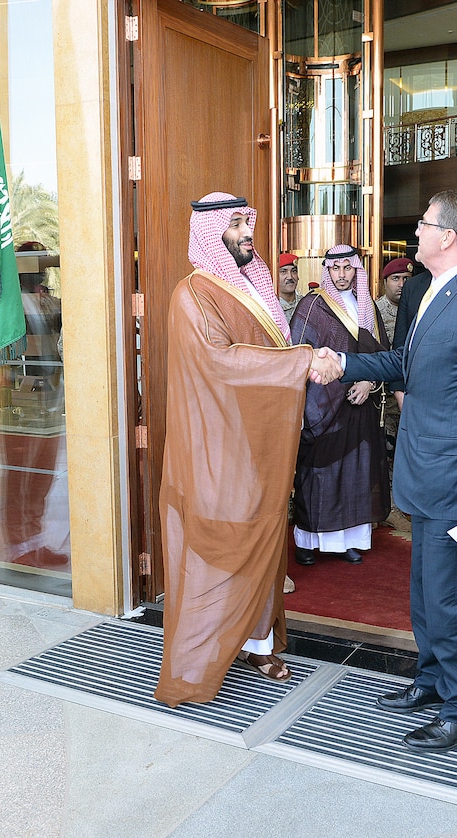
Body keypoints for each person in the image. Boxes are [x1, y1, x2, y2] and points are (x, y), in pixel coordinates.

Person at [322, 190, 457, 753]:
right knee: (423, 593)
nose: (415, 229)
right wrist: (342, 363)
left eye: (424, 223)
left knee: (446, 599)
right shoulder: (433, 289)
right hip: (425, 468)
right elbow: (406, 365)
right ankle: (432, 681)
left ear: (449, 238)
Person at [155, 193, 333, 707]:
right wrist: (302, 362)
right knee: (219, 547)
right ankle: (200, 658)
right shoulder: (193, 294)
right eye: (234, 224)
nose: (245, 232)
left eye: (247, 222)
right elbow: (220, 361)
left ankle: (255, 643)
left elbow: (265, 352)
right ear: (210, 232)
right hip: (217, 448)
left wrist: (298, 362)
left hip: (259, 444)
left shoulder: (253, 286)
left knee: (264, 541)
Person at [289, 245, 391, 566]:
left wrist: (369, 382)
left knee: (356, 472)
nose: (342, 275)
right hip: (324, 407)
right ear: (327, 271)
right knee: (319, 474)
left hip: (360, 407)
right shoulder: (312, 305)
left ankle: (348, 538)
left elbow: (382, 356)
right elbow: (298, 355)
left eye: (348, 269)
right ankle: (308, 541)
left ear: (356, 270)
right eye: (335, 269)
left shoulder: (368, 306)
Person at [376, 258, 411, 458]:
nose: (401, 284)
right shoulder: (374, 311)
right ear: (385, 282)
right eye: (395, 279)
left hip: (412, 401)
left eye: (406, 278)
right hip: (385, 402)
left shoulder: (418, 308)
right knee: (387, 455)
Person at [276, 253, 302, 320]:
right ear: (275, 277)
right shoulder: (272, 306)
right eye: (283, 272)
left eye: (294, 271)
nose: (290, 277)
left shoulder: (306, 303)